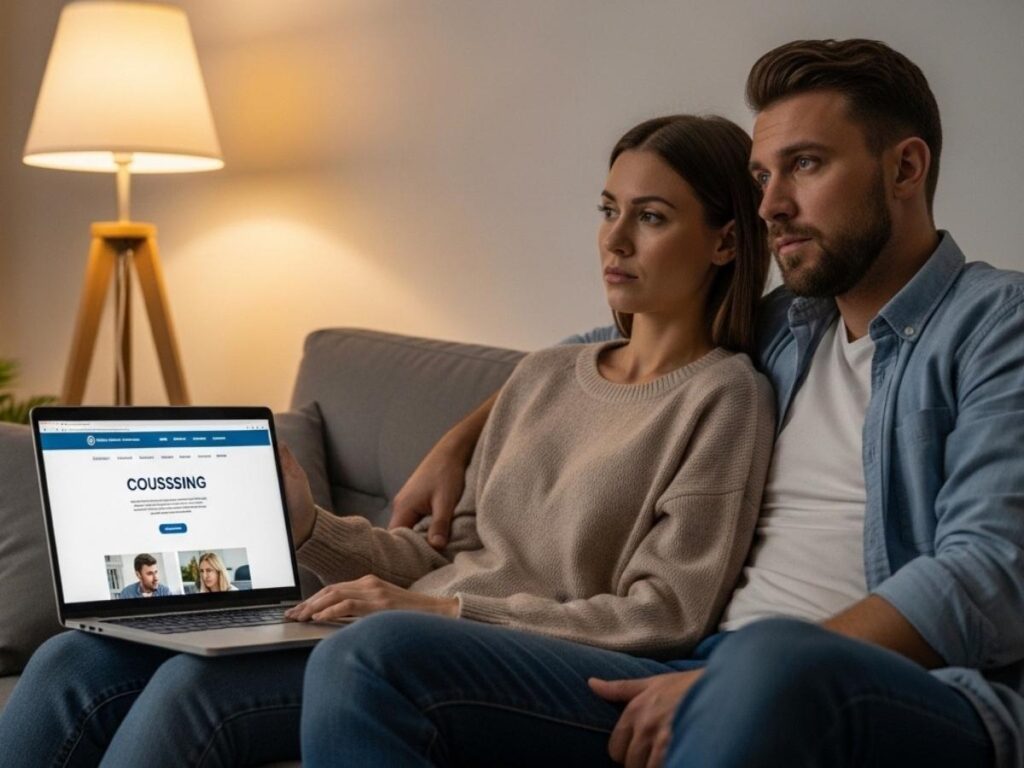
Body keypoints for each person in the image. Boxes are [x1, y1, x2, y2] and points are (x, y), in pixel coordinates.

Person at [299, 39, 1024, 768]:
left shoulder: (996, 325)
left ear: (905, 167)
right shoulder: (790, 326)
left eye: (806, 165)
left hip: (889, 688)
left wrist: (731, 679)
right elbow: (600, 350)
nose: (772, 204)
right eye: (762, 175)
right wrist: (456, 439)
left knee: (772, 664)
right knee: (373, 660)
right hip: (703, 665)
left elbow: (986, 573)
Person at [0, 113, 774, 766]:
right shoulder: (545, 374)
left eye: (652, 217)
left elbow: (665, 614)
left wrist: (444, 615)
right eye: (608, 211)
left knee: (194, 688)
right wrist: (310, 527)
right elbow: (450, 556)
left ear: (725, 244)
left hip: (520, 659)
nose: (616, 241)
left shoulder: (724, 397)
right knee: (77, 659)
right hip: (409, 625)